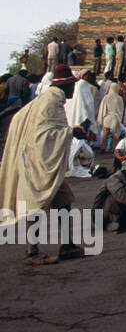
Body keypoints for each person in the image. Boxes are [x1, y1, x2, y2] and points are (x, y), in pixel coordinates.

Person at [0, 65, 82, 265]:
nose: (73, 90)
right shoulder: (49, 102)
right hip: (37, 163)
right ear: (67, 85)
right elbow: (42, 136)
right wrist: (71, 133)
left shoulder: (50, 100)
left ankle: (67, 244)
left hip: (47, 163)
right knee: (36, 204)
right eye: (72, 85)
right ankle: (31, 251)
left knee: (64, 201)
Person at [94, 154, 126, 233]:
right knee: (117, 196)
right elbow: (121, 196)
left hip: (115, 210)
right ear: (125, 169)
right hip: (101, 214)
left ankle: (121, 222)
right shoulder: (114, 179)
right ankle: (111, 222)